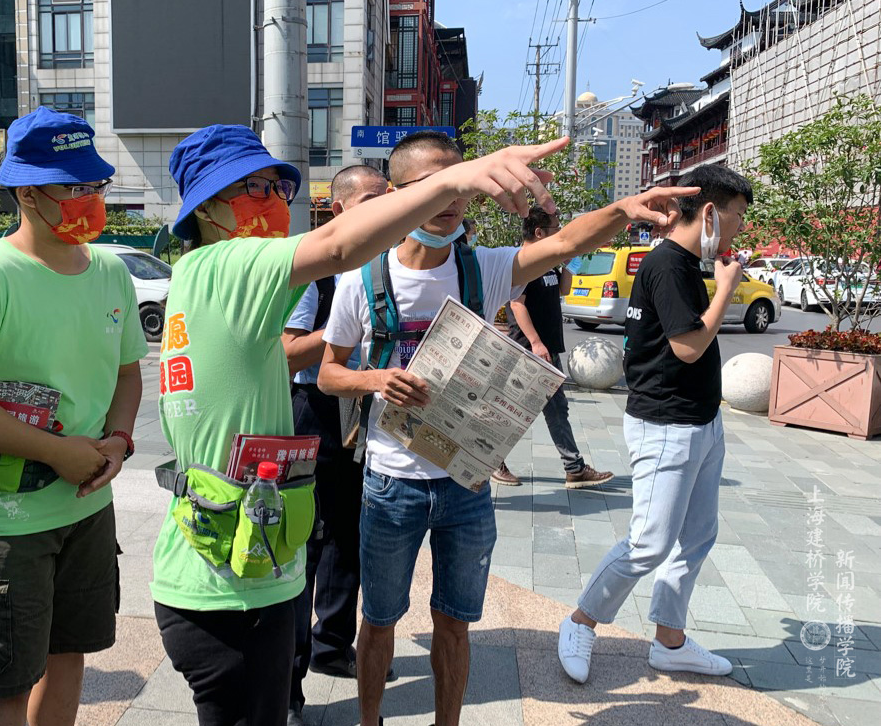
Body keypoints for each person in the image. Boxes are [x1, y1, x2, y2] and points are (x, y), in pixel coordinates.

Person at [154, 123, 587, 726]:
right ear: (206, 207)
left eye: (278, 188)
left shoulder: (203, 273)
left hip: (235, 552)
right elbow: (338, 251)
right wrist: (459, 178)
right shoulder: (229, 264)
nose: (273, 202)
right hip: (227, 580)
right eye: (254, 188)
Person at [318, 130, 698, 726]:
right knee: (380, 619)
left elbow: (566, 242)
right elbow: (328, 373)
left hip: (466, 484)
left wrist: (623, 209)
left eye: (461, 187)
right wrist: (374, 381)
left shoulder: (486, 269)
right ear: (398, 195)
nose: (451, 201)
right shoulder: (361, 279)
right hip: (391, 483)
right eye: (433, 186)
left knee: (455, 623)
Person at [0, 106, 148, 726]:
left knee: (69, 657)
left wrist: (119, 440)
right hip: (2, 519)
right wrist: (55, 452)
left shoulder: (110, 272)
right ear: (27, 192)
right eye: (72, 187)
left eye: (95, 184)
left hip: (86, 505)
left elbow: (127, 372)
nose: (89, 199)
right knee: (1, 689)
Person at [557, 164, 751, 685]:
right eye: (736, 216)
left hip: (701, 420)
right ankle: (580, 621)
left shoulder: (685, 263)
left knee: (697, 536)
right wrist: (726, 289)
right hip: (667, 423)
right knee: (649, 543)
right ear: (709, 213)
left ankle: (670, 641)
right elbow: (688, 347)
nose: (739, 227)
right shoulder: (669, 264)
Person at [282, 164, 391, 726]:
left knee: (350, 534)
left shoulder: (388, 263)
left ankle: (333, 646)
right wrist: (347, 327)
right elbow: (287, 352)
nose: (385, 206)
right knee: (304, 544)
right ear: (338, 207)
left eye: (389, 197)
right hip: (314, 411)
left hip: (364, 409)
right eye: (373, 198)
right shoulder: (316, 267)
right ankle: (289, 686)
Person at [491, 206, 614, 488]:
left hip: (547, 350)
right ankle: (492, 461)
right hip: (529, 350)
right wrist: (535, 343)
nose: (560, 232)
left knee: (557, 409)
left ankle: (574, 468)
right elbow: (516, 304)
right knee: (513, 408)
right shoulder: (523, 262)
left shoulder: (547, 262)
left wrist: (568, 264)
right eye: (556, 228)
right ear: (538, 232)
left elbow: (563, 290)